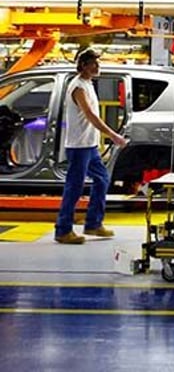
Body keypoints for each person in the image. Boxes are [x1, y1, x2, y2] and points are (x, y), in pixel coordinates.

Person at [54, 49, 128, 244]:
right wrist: (113, 135)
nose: (98, 67)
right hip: (79, 146)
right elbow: (90, 115)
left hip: (90, 145)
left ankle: (93, 224)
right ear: (84, 66)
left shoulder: (88, 83)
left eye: (98, 63)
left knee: (102, 179)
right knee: (74, 187)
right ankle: (63, 230)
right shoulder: (78, 87)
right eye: (94, 64)